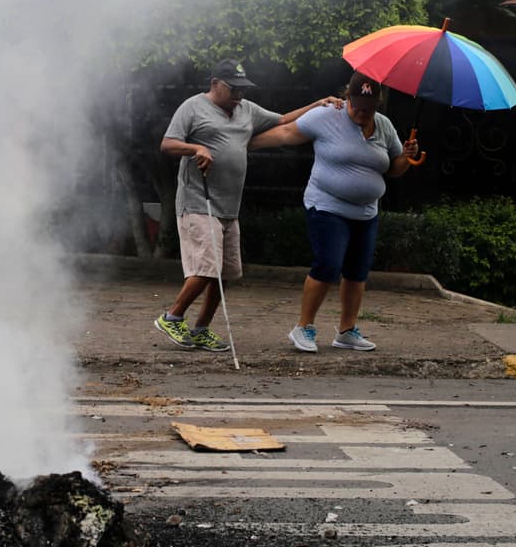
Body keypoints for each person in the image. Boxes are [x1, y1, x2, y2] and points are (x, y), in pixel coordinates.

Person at [154, 59, 337, 352]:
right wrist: (196, 148)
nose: (240, 94)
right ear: (216, 84)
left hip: (229, 206)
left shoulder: (246, 110)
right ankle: (172, 317)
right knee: (206, 268)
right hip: (198, 201)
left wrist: (318, 104)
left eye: (243, 88)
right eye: (234, 88)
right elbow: (167, 144)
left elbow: (281, 120)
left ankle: (201, 329)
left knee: (226, 274)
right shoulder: (192, 107)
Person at [248, 71, 419, 353]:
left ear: (378, 103)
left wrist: (407, 157)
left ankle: (346, 331)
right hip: (327, 206)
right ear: (347, 97)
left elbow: (393, 169)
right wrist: (241, 143)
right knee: (328, 265)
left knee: (357, 272)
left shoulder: (385, 126)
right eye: (357, 105)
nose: (362, 112)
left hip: (366, 213)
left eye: (368, 107)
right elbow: (286, 133)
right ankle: (304, 327)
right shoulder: (327, 116)